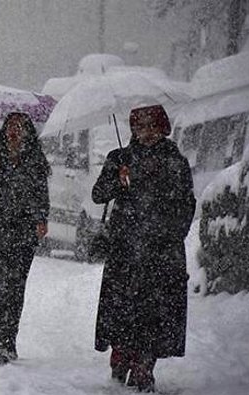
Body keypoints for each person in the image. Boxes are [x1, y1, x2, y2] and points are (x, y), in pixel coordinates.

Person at [92, 104, 196, 392]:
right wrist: (117, 179)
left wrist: (172, 234)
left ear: (163, 128)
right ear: (133, 129)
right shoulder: (119, 158)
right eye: (141, 127)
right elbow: (98, 194)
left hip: (162, 251)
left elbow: (186, 204)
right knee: (123, 309)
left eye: (153, 126)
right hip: (125, 249)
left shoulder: (175, 161)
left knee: (155, 312)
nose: (147, 133)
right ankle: (122, 354)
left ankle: (144, 366)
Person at [0, 112, 50, 365]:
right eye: (11, 127)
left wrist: (41, 219)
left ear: (28, 132)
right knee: (2, 283)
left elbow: (41, 195)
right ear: (4, 130)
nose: (15, 132)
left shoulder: (35, 161)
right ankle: (1, 343)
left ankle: (10, 340)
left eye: (21, 127)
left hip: (24, 232)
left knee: (17, 286)